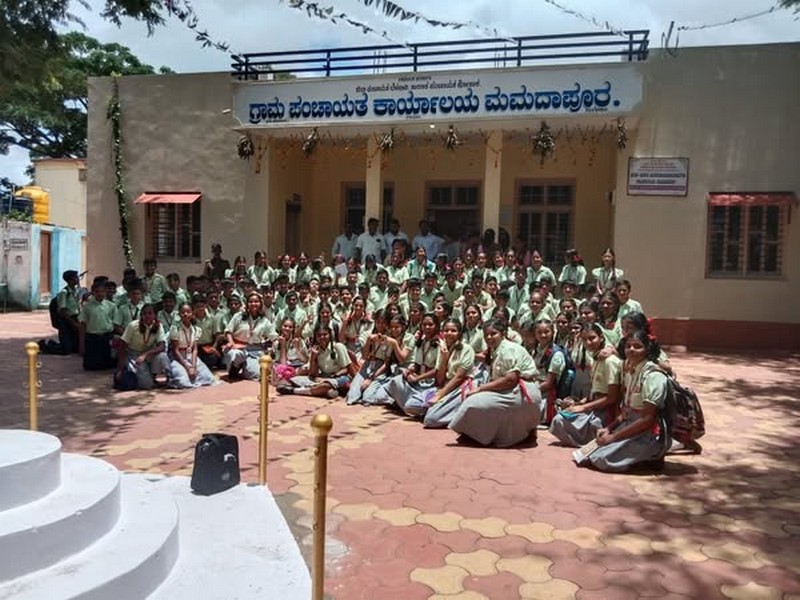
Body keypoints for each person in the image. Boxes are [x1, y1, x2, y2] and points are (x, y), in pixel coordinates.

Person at [585, 330, 671, 472]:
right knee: (591, 453)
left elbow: (647, 419)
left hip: (647, 433)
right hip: (629, 425)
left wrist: (613, 437)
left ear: (647, 349)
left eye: (637, 346)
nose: (631, 350)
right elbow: (626, 411)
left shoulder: (653, 376)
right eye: (628, 346)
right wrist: (609, 428)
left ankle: (651, 455)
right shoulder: (630, 371)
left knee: (600, 459)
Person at [448, 319, 542, 447]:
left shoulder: (508, 349)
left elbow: (511, 379)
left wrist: (482, 388)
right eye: (486, 335)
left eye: (494, 333)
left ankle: (478, 435)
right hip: (510, 389)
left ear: (503, 333)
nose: (489, 337)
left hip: (522, 392)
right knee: (479, 399)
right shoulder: (495, 350)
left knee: (475, 402)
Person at [550, 322, 622, 447]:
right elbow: (595, 391)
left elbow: (612, 397)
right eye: (584, 339)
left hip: (606, 412)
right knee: (560, 418)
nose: (588, 343)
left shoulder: (610, 362)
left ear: (601, 338)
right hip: (594, 406)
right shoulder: (597, 359)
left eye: (592, 338)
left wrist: (583, 408)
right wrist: (579, 403)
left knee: (561, 421)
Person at [422, 318, 480, 428]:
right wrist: (444, 358)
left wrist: (440, 395)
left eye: (453, 331)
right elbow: (439, 379)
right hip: (445, 385)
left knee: (431, 419)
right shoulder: (442, 349)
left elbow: (459, 378)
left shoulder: (466, 349)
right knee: (411, 405)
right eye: (446, 330)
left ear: (459, 333)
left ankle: (459, 416)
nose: (449, 333)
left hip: (459, 387)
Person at [386, 312, 440, 416]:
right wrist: (410, 370)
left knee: (410, 406)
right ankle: (416, 402)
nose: (427, 327)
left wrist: (417, 378)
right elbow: (417, 364)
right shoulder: (421, 342)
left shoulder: (439, 344)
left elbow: (437, 370)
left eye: (430, 325)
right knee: (395, 381)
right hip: (419, 381)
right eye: (424, 325)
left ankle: (420, 406)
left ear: (436, 326)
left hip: (431, 383)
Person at [278, 324, 354, 398]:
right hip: (322, 377)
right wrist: (313, 358)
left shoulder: (338, 347)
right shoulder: (316, 349)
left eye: (325, 334)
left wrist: (331, 377)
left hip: (339, 377)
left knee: (325, 385)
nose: (322, 337)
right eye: (319, 335)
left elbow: (349, 368)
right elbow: (312, 374)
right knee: (293, 380)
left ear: (330, 335)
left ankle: (295, 391)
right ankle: (325, 391)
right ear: (316, 337)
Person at [222, 292, 277, 380]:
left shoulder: (264, 320)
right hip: (238, 347)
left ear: (260, 304)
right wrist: (231, 343)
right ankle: (234, 369)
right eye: (251, 302)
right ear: (247, 304)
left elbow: (273, 336)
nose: (253, 304)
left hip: (255, 350)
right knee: (235, 355)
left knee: (256, 374)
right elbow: (228, 331)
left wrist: (276, 345)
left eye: (256, 301)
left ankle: (245, 369)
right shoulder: (238, 316)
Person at [116, 304, 170, 390]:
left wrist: (145, 355)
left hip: (148, 354)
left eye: (150, 313)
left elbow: (162, 346)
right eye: (145, 314)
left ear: (155, 315)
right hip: (134, 354)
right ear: (141, 315)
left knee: (162, 356)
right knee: (146, 384)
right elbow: (123, 347)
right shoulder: (133, 326)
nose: (147, 316)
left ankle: (169, 378)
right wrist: (120, 369)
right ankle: (146, 378)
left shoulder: (158, 326)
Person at [168, 302, 216, 388]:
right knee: (183, 382)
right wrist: (187, 368)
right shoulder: (175, 328)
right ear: (179, 314)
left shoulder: (196, 329)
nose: (185, 314)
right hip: (178, 358)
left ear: (192, 313)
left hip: (191, 357)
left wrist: (193, 366)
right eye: (183, 312)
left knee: (208, 378)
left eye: (188, 312)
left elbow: (195, 349)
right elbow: (175, 350)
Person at [78, 279, 117, 370]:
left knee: (107, 365)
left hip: (106, 337)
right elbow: (83, 324)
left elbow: (115, 323)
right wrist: (81, 343)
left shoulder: (111, 306)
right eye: (97, 292)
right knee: (90, 366)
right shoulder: (87, 306)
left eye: (103, 291)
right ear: (93, 292)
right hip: (92, 338)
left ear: (106, 292)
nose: (100, 294)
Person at [55, 269, 82, 353]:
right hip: (66, 320)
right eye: (76, 278)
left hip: (75, 318)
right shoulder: (64, 292)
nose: (78, 279)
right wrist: (73, 323)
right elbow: (63, 311)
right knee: (66, 348)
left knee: (75, 346)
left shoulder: (75, 291)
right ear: (70, 280)